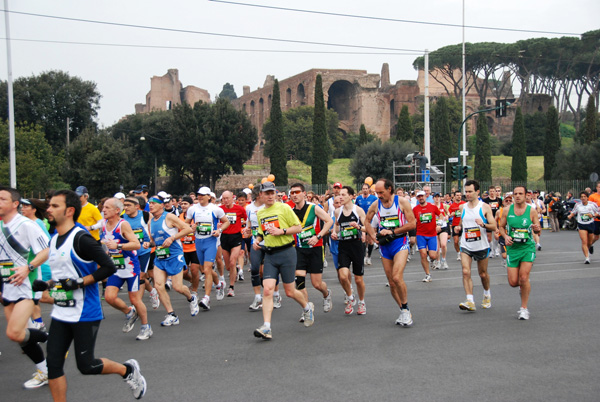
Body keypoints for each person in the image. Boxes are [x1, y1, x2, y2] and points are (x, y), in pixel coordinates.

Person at [39, 189, 146, 400]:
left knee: (86, 365)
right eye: (49, 205)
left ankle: (128, 370)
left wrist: (80, 282)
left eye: (54, 206)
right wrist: (48, 283)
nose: (49, 209)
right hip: (61, 311)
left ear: (69, 211)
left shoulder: (82, 239)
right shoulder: (53, 240)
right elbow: (64, 274)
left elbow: (107, 267)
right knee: (53, 364)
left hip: (84, 312)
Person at [0, 187, 50, 389]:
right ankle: (45, 371)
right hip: (8, 286)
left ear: (15, 204)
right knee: (23, 337)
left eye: (2, 198)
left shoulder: (27, 225)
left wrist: (28, 267)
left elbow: (46, 250)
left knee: (14, 332)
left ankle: (54, 339)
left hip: (26, 286)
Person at [253, 182, 314, 340]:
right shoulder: (260, 213)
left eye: (272, 192)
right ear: (261, 195)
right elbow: (262, 231)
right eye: (267, 193)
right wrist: (257, 240)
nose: (270, 196)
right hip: (270, 255)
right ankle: (266, 327)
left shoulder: (284, 208)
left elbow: (298, 228)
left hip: (287, 252)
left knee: (290, 292)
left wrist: (282, 231)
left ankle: (307, 308)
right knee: (267, 290)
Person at [365, 178, 416, 326]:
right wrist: (372, 235)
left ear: (390, 189)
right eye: (377, 192)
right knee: (391, 283)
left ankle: (406, 310)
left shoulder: (401, 202)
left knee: (397, 277)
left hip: (399, 241)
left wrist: (393, 231)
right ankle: (403, 310)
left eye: (381, 192)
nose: (379, 195)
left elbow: (412, 223)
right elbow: (367, 221)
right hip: (384, 245)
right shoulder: (376, 204)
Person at [100, 198, 151, 340]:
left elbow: (136, 244)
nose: (103, 210)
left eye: (107, 207)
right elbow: (104, 243)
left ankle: (145, 327)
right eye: (103, 207)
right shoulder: (103, 224)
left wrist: (118, 246)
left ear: (117, 210)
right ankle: (129, 312)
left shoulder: (123, 225)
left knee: (134, 299)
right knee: (109, 297)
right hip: (115, 267)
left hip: (130, 267)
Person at [145, 195, 197, 326]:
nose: (151, 205)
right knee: (158, 285)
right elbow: (153, 241)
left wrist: (172, 238)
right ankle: (171, 314)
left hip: (174, 255)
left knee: (177, 287)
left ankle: (191, 298)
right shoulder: (151, 222)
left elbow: (187, 228)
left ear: (161, 205)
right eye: (149, 203)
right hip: (160, 256)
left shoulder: (169, 217)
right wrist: (148, 244)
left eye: (154, 203)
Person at [290, 183, 333, 316]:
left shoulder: (313, 208)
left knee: (316, 284)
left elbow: (329, 221)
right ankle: (307, 310)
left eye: (297, 192)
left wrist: (318, 236)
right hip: (299, 249)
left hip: (315, 248)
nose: (295, 195)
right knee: (299, 281)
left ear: (304, 193)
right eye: (292, 193)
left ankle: (326, 294)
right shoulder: (290, 212)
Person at [498, 186, 541, 320]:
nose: (517, 196)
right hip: (513, 249)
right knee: (513, 282)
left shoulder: (531, 211)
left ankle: (524, 308)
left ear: (525, 195)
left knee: (523, 277)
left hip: (527, 248)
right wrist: (505, 237)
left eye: (520, 194)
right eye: (515, 194)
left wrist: (537, 228)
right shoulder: (506, 210)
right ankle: (523, 286)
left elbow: (538, 230)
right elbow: (501, 227)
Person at [454, 180, 497, 312]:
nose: (467, 194)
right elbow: (462, 222)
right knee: (465, 271)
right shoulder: (462, 207)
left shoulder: (484, 207)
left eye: (470, 191)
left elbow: (494, 226)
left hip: (481, 245)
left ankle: (487, 294)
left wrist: (483, 224)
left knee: (482, 274)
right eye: (465, 192)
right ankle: (470, 300)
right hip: (466, 244)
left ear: (477, 192)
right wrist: (458, 227)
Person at [186, 187, 230, 309]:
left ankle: (206, 298)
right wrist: (191, 226)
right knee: (204, 270)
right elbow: (185, 223)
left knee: (207, 268)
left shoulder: (216, 209)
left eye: (203, 195)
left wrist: (219, 230)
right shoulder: (192, 209)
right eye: (198, 195)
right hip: (198, 241)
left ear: (209, 197)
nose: (200, 197)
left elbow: (226, 222)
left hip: (211, 241)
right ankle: (218, 284)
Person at [331, 186, 367, 315]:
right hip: (343, 246)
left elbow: (367, 228)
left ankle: (362, 302)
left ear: (351, 196)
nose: (340, 197)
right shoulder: (337, 212)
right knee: (343, 276)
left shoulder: (358, 211)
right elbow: (336, 225)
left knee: (358, 279)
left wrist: (359, 227)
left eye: (344, 194)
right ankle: (351, 297)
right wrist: (334, 233)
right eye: (340, 194)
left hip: (356, 246)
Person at [219, 191, 247, 297]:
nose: (226, 200)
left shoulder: (239, 209)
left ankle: (231, 288)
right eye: (224, 198)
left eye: (227, 198)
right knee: (228, 266)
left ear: (232, 198)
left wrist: (245, 228)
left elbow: (246, 218)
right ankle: (233, 270)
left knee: (232, 261)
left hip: (236, 237)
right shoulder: (220, 209)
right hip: (224, 237)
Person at [413, 190, 440, 282]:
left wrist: (439, 224)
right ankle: (427, 274)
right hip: (420, 234)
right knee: (423, 254)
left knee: (433, 255)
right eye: (419, 197)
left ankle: (432, 260)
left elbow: (441, 215)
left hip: (432, 234)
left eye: (422, 196)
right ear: (417, 198)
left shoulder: (432, 207)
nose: (421, 198)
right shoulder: (415, 209)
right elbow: (412, 220)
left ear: (425, 196)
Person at [567, 191, 599, 264]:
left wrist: (593, 215)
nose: (583, 198)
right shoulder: (578, 205)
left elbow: (598, 212)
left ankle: (590, 247)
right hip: (581, 224)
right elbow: (573, 211)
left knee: (590, 242)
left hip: (590, 224)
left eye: (584, 197)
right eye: (582, 197)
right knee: (584, 241)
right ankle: (587, 258)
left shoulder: (592, 204)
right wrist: (570, 216)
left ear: (587, 197)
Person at [355, 183, 378, 265]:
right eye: (363, 188)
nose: (364, 190)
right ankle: (364, 256)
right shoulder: (358, 198)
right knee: (363, 240)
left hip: (370, 222)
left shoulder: (374, 198)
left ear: (369, 189)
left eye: (366, 188)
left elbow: (377, 208)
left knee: (370, 241)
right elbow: (355, 209)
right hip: (361, 222)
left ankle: (369, 257)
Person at [482, 186, 502, 257]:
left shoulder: (499, 200)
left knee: (497, 236)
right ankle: (491, 250)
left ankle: (496, 248)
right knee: (488, 237)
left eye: (493, 191)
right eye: (491, 191)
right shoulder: (485, 200)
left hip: (497, 219)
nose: (492, 193)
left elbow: (501, 209)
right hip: (488, 220)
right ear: (489, 192)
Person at [432, 193, 450, 269]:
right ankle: (438, 261)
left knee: (443, 244)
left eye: (438, 197)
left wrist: (447, 216)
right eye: (435, 197)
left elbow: (448, 212)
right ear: (433, 198)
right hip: (434, 227)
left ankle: (444, 259)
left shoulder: (444, 205)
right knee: (437, 247)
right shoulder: (431, 207)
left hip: (443, 226)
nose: (437, 199)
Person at [448, 191, 466, 261]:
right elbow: (448, 214)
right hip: (455, 224)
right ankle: (458, 253)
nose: (459, 196)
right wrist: (451, 214)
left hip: (463, 224)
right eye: (457, 195)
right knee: (456, 241)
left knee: (463, 240)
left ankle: (464, 253)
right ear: (454, 196)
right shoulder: (452, 206)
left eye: (460, 195)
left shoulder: (464, 204)